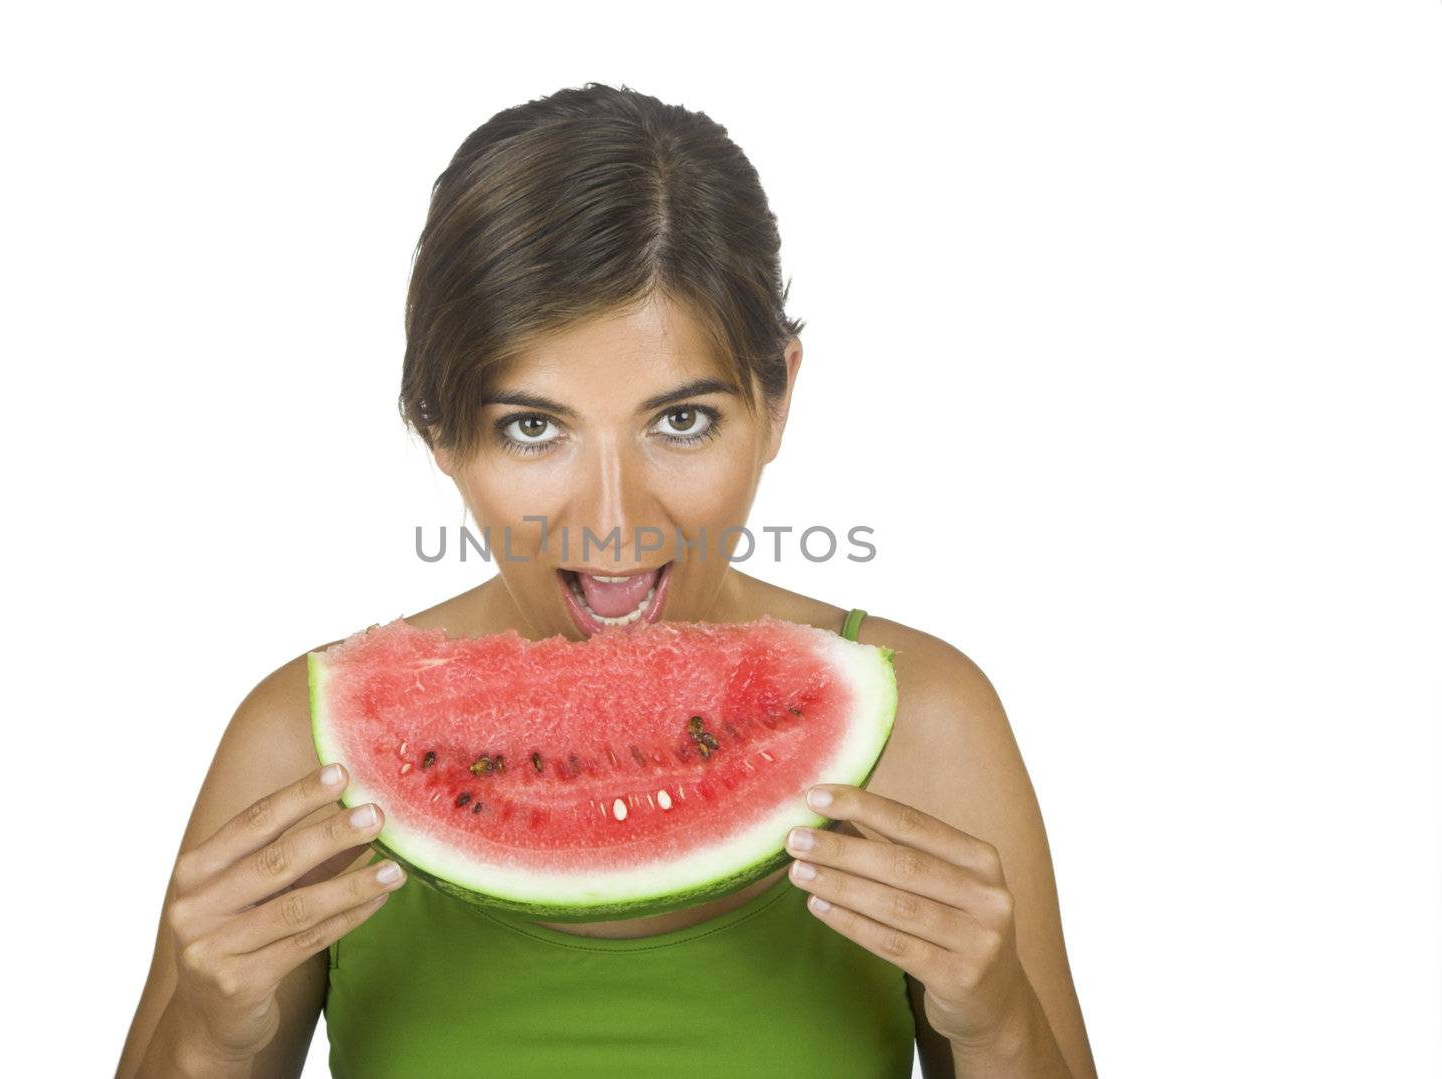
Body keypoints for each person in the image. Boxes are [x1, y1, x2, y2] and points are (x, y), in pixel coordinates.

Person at [116, 82, 1097, 1079]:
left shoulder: (925, 727)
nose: (614, 519)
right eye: (532, 427)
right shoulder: (304, 743)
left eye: (681, 421)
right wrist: (208, 1038)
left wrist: (997, 1025)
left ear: (778, 398)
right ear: (438, 433)